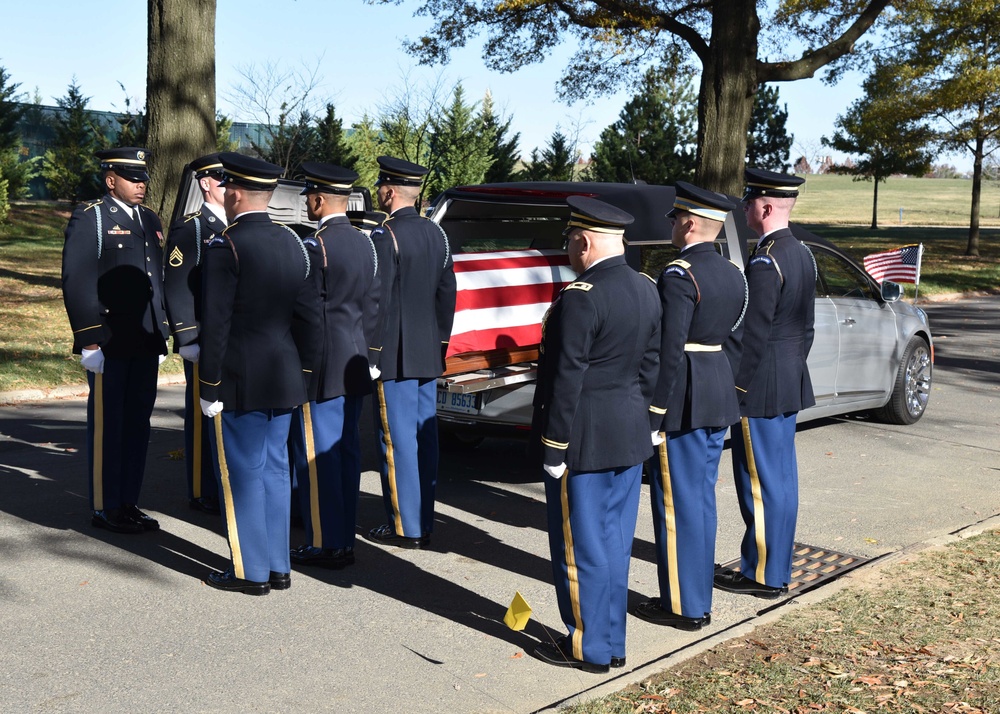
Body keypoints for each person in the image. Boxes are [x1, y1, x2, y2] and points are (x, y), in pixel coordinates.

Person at [531, 196, 661, 674]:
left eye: (569, 239)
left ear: (583, 241)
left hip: (581, 440)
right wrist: (642, 421)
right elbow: (650, 367)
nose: (568, 247)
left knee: (580, 549)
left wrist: (554, 444)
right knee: (613, 546)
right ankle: (613, 641)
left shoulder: (581, 296)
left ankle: (588, 647)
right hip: (627, 434)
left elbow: (567, 378)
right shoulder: (646, 288)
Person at [199, 152, 320, 596]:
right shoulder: (294, 242)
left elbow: (217, 323)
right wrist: (304, 371)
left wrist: (209, 384)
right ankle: (277, 565)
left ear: (232, 193)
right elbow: (310, 319)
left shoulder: (225, 245)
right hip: (285, 374)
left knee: (245, 474)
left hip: (239, 377)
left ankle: (251, 572)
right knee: (273, 471)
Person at [631, 182, 747, 631]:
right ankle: (696, 596)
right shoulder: (733, 272)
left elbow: (668, 348)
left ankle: (683, 605)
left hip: (683, 396)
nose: (673, 227)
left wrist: (655, 411)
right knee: (700, 499)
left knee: (676, 504)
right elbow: (735, 339)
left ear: (691, 224)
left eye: (676, 219)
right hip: (717, 389)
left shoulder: (680, 274)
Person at [714, 168, 816, 600]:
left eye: (750, 200)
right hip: (788, 380)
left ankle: (763, 574)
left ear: (767, 207)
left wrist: (735, 389)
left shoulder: (765, 260)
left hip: (760, 387)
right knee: (782, 481)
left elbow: (751, 336)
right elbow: (805, 330)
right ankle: (774, 566)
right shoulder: (802, 254)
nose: (745, 206)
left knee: (758, 484)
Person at [61, 146, 168, 534]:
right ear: (111, 180)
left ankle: (129, 501)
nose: (141, 185)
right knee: (110, 425)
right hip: (109, 340)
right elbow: (78, 279)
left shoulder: (151, 219)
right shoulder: (91, 217)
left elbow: (156, 280)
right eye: (132, 178)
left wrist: (162, 331)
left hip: (144, 338)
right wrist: (89, 340)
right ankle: (106, 506)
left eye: (143, 179)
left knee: (139, 424)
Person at [289, 162, 379, 569]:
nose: (307, 202)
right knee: (344, 455)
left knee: (318, 457)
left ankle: (325, 542)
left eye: (309, 196)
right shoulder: (366, 243)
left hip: (322, 365)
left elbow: (306, 313)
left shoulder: (315, 246)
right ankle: (341, 537)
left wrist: (299, 367)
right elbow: (374, 307)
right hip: (354, 360)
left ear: (321, 199)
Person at [365, 156, 456, 549]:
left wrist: (371, 353)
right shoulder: (438, 236)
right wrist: (439, 345)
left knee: (397, 440)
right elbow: (447, 294)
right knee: (424, 439)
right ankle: (424, 519)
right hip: (425, 353)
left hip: (394, 355)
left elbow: (377, 300)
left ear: (389, 191)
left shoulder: (385, 236)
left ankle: (406, 527)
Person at [163, 153, 226, 515]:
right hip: (202, 338)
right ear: (205, 183)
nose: (227, 187)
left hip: (228, 337)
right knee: (202, 413)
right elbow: (177, 285)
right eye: (222, 180)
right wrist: (187, 336)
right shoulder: (193, 228)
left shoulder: (233, 224)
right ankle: (202, 488)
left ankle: (221, 480)